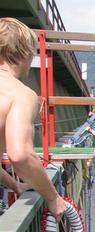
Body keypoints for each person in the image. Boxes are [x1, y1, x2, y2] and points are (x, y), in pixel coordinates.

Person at [0, 18, 66, 219]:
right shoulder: (20, 93)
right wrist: (53, 197)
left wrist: (14, 185)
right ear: (24, 53)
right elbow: (20, 155)